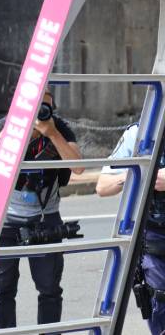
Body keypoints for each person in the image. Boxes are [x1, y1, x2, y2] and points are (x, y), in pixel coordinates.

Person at [0, 87, 84, 329]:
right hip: (6, 220)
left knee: (49, 287)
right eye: (36, 105)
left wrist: (52, 134)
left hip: (46, 218)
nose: (41, 110)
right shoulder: (5, 126)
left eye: (47, 105)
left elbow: (79, 167)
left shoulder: (58, 127)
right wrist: (25, 133)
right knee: (3, 289)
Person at [96, 123, 165, 334]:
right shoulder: (139, 132)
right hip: (152, 239)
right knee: (159, 302)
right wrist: (141, 173)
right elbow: (103, 186)